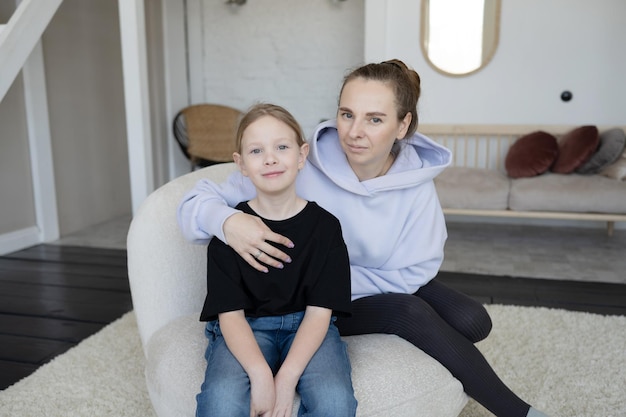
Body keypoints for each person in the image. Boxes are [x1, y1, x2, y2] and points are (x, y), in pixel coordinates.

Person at [178, 60, 548, 417]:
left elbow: (415, 270)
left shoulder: (416, 184)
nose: (355, 132)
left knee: (473, 320)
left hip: (376, 282)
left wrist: (327, 277)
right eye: (347, 114)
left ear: (403, 126)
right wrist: (227, 222)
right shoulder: (294, 163)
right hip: (305, 295)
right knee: (410, 312)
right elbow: (198, 201)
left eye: (375, 119)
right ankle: (520, 412)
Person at [193, 103, 357, 417]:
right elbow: (230, 316)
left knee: (336, 402)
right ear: (240, 164)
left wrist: (285, 378)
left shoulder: (325, 228)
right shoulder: (231, 230)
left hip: (308, 326)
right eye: (256, 151)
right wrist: (259, 374)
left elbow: (320, 314)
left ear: (301, 155)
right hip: (246, 327)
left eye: (281, 147)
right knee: (221, 402)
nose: (270, 158)